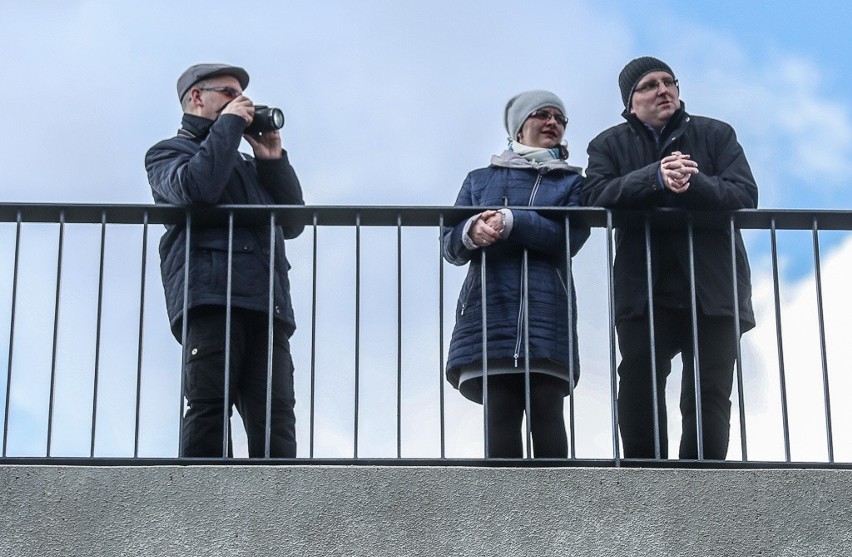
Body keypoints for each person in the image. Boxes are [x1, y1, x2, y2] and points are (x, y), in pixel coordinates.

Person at [582, 56, 758, 460]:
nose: (663, 90)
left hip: (713, 287)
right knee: (639, 382)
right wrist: (655, 177)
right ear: (630, 103)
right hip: (645, 288)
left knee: (710, 391)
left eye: (669, 82)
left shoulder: (716, 135)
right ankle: (646, 478)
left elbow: (745, 195)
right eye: (649, 85)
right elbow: (593, 198)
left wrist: (693, 182)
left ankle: (701, 482)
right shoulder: (608, 144)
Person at [145, 63, 305, 458]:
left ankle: (284, 509)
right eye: (230, 94)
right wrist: (228, 127)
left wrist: (271, 158)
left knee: (277, 416)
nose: (244, 103)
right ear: (197, 97)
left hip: (266, 304)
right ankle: (202, 510)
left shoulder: (249, 167)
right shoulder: (168, 153)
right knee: (209, 408)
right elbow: (196, 189)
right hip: (212, 298)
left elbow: (293, 222)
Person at [443, 90, 589, 458]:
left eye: (559, 118)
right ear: (519, 127)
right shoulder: (479, 180)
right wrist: (472, 231)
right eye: (542, 114)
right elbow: (449, 244)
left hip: (546, 313)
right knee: (500, 417)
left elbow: (568, 237)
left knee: (548, 414)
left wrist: (512, 221)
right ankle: (503, 515)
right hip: (489, 311)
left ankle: (557, 512)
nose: (553, 122)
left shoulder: (573, 183)